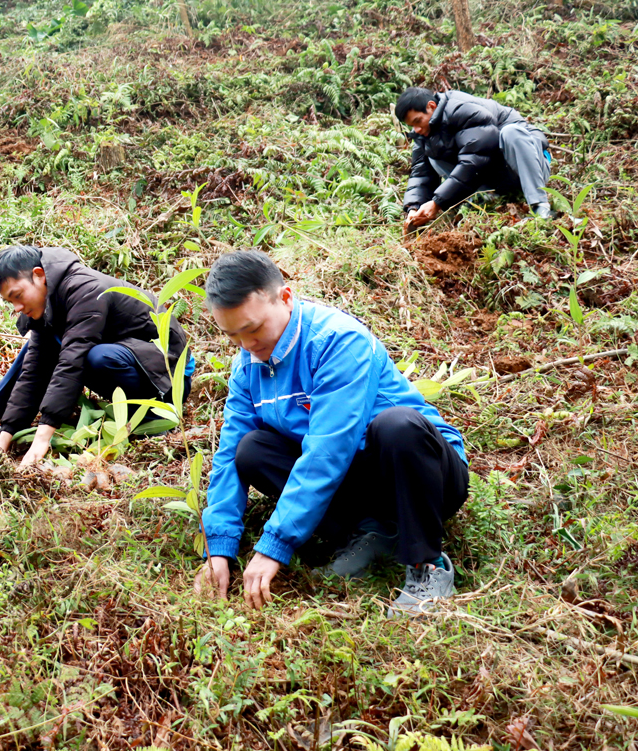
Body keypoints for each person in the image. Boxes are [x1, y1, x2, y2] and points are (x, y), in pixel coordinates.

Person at [195, 251, 470, 617]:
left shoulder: (339, 341)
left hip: (423, 477)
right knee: (251, 450)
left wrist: (274, 546)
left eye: (254, 329)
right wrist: (219, 549)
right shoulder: (248, 365)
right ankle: (375, 534)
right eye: (233, 336)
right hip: (353, 480)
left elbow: (329, 449)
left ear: (286, 298)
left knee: (397, 425)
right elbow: (229, 453)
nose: (247, 345)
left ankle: (427, 565)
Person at [0, 246, 195, 467]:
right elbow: (35, 370)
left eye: (17, 296)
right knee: (37, 350)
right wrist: (6, 437)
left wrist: (42, 438)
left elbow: (72, 360)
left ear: (39, 276)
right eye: (10, 302)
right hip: (128, 359)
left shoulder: (84, 289)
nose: (16, 308)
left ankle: (154, 417)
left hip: (167, 375)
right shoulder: (46, 302)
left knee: (93, 356)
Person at [396, 87, 553, 232]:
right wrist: (413, 208)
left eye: (417, 121)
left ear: (431, 106)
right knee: (433, 157)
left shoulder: (463, 109)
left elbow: (474, 161)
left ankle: (540, 206)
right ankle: (486, 199)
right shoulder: (422, 132)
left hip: (530, 166)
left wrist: (437, 202)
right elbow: (420, 174)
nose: (416, 129)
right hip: (496, 175)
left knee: (511, 133)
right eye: (411, 125)